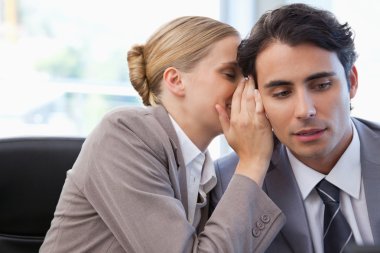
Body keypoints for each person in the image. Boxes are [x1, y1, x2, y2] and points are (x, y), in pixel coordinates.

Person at [39, 16, 285, 253]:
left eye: (246, 78)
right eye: (230, 74)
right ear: (176, 80)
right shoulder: (123, 132)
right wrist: (253, 162)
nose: (246, 89)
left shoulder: (204, 173)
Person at [213, 3, 380, 253]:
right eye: (282, 93)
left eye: (322, 85)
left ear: (351, 82)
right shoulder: (230, 185)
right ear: (255, 99)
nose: (305, 111)